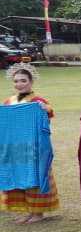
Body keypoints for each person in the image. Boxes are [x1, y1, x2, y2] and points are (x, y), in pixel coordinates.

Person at [2, 65, 58, 223]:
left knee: (35, 175)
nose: (19, 84)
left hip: (34, 146)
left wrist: (44, 109)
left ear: (31, 82)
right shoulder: (8, 102)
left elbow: (49, 114)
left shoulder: (38, 101)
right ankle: (28, 210)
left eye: (23, 80)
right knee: (18, 175)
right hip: (15, 147)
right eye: (16, 81)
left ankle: (38, 213)